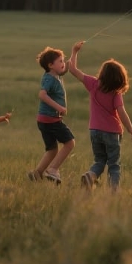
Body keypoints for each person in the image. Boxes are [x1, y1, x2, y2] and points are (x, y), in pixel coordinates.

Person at [67, 41, 132, 192]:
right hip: (112, 132)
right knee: (114, 164)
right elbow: (121, 113)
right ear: (120, 78)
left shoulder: (93, 84)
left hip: (94, 130)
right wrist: (131, 130)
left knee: (99, 160)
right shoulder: (116, 93)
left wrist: (74, 51)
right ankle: (114, 191)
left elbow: (72, 70)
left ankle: (90, 176)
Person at [27, 46, 75, 184]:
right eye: (60, 61)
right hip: (50, 120)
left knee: (52, 149)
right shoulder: (49, 79)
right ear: (50, 65)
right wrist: (59, 107)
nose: (63, 63)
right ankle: (52, 169)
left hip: (45, 120)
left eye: (63, 60)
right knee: (70, 143)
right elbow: (42, 94)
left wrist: (74, 52)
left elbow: (68, 67)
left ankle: (36, 174)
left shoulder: (56, 75)